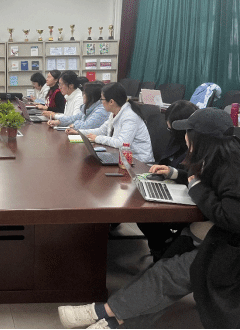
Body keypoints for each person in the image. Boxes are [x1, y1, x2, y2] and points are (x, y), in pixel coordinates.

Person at [58, 108, 240, 329]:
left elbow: (232, 216)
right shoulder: (218, 155)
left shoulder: (233, 166)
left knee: (167, 275)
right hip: (204, 235)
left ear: (201, 139)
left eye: (188, 132)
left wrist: (197, 189)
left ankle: (104, 312)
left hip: (226, 248)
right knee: (160, 273)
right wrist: (175, 174)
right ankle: (116, 322)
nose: (184, 137)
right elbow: (204, 182)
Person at [137, 100, 199, 261]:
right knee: (141, 207)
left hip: (189, 198)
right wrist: (169, 172)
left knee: (147, 215)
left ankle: (163, 248)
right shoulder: (178, 139)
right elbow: (170, 164)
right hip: (172, 186)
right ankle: (161, 247)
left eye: (171, 129)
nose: (169, 132)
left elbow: (194, 178)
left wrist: (174, 174)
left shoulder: (198, 147)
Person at [68, 82, 154, 163]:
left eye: (102, 99)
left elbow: (122, 143)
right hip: (121, 156)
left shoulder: (130, 116)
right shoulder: (114, 113)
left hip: (138, 161)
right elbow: (101, 131)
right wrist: (79, 132)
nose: (101, 102)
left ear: (111, 102)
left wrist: (97, 138)